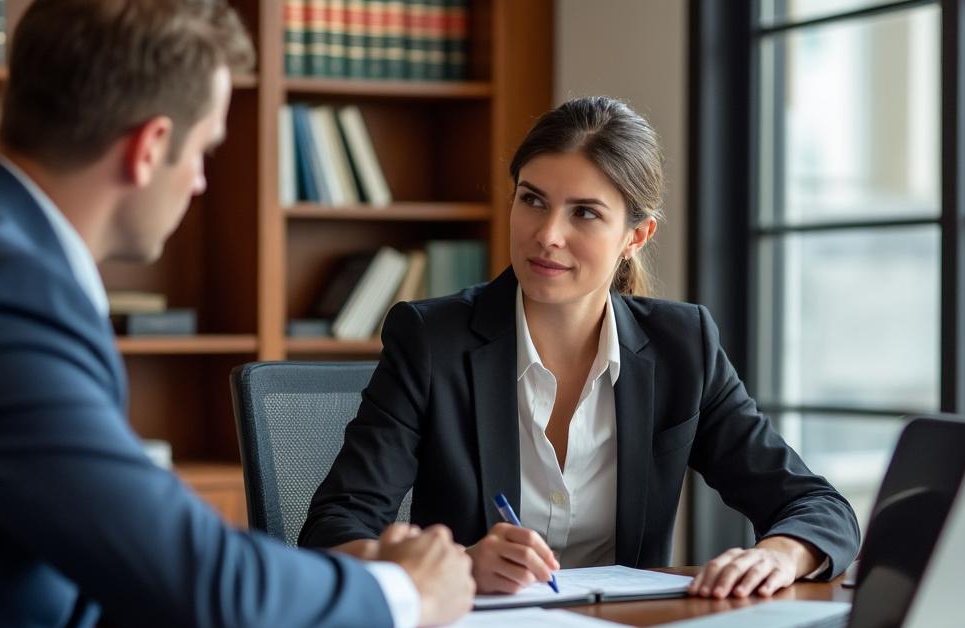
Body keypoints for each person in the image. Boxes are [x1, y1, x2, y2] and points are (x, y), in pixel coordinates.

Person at [0, 0, 473, 628]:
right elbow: (203, 590)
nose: (199, 182)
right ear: (151, 146)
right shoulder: (0, 294)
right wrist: (408, 590)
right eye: (204, 152)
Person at [300, 96, 860, 600]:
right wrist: (458, 564)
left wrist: (777, 556)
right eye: (533, 201)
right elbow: (334, 528)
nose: (547, 235)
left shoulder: (681, 346)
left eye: (584, 213)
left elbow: (819, 508)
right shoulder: (432, 340)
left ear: (635, 237)